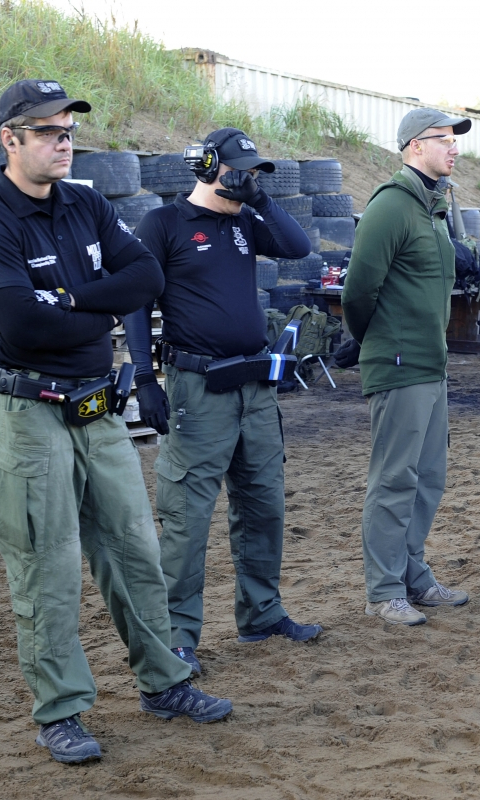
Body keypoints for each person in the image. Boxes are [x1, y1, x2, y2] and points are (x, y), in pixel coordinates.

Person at [0, 80, 231, 765]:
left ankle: (164, 683)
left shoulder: (87, 203)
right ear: (10, 140)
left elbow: (146, 280)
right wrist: (97, 305)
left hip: (96, 408)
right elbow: (21, 322)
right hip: (27, 414)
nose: (64, 142)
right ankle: (60, 712)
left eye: (69, 131)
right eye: (48, 131)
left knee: (135, 551)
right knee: (45, 566)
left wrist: (70, 300)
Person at [122, 129, 323, 677]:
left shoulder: (245, 221)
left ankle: (262, 613)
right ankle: (177, 639)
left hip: (255, 388)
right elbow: (135, 304)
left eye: (255, 172)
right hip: (198, 389)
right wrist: (145, 379)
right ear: (208, 166)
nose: (248, 179)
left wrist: (260, 199)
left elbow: (298, 247)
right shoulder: (163, 224)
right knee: (187, 518)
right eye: (241, 171)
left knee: (264, 506)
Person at [341, 108, 473, 626]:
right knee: (395, 479)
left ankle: (413, 574)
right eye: (444, 139)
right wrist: (377, 342)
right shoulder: (392, 205)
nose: (454, 148)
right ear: (415, 146)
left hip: (430, 363)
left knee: (428, 478)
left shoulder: (430, 206)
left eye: (454, 140)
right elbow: (358, 291)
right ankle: (383, 590)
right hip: (399, 364)